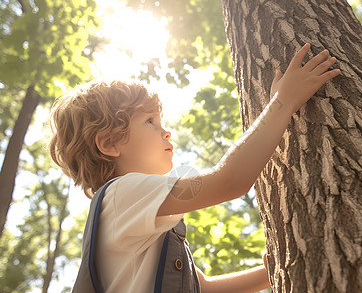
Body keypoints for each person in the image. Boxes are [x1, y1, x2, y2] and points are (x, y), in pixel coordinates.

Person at [48, 43, 340, 292]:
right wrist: (282, 102)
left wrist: (273, 272)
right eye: (149, 122)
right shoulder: (120, 195)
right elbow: (229, 181)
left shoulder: (139, 219)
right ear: (110, 144)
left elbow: (204, 288)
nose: (166, 132)